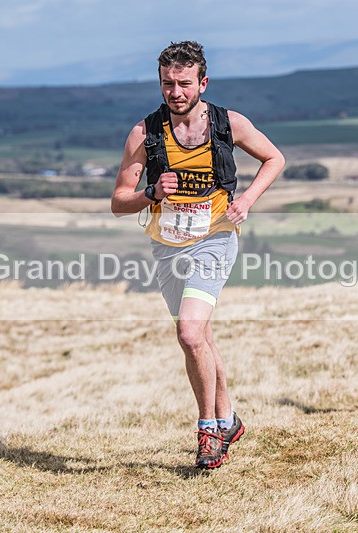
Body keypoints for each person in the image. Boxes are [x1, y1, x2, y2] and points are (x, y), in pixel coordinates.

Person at [111, 41, 285, 468]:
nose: (175, 93)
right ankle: (228, 419)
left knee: (189, 333)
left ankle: (208, 429)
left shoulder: (229, 124)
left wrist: (247, 201)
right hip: (167, 245)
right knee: (200, 338)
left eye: (184, 84)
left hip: (215, 238)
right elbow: (118, 200)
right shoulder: (144, 134)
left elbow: (274, 159)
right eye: (167, 84)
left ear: (202, 83)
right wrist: (150, 192)